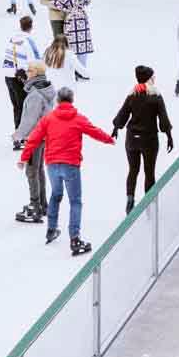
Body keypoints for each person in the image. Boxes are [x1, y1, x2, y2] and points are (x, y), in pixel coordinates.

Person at [18, 87, 115, 256]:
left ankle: (51, 229)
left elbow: (33, 139)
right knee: (75, 201)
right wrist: (109, 139)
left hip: (53, 165)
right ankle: (75, 239)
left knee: (56, 196)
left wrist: (24, 158)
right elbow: (94, 131)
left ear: (57, 101)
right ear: (72, 100)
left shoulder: (48, 119)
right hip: (71, 165)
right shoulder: (78, 119)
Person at [111, 65, 174, 213]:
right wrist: (169, 135)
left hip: (132, 138)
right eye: (153, 76)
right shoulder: (156, 96)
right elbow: (163, 119)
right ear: (149, 79)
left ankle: (130, 200)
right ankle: (149, 204)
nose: (154, 79)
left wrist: (116, 128)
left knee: (133, 170)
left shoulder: (132, 96)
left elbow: (123, 114)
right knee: (149, 172)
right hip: (149, 139)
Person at [10, 62, 54, 225]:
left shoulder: (35, 95)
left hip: (34, 137)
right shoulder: (45, 88)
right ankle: (42, 204)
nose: (27, 72)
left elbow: (30, 119)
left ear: (36, 73)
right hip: (43, 135)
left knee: (31, 171)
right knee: (38, 169)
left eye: (30, 70)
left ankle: (35, 204)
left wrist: (18, 134)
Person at [49, 0, 94, 80]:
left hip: (83, 21)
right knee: (72, 47)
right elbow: (56, 3)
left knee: (83, 47)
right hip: (71, 22)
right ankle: (72, 71)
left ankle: (82, 71)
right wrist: (68, 10)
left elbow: (88, 1)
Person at [1, 15, 42, 129]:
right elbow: (35, 60)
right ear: (31, 27)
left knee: (16, 106)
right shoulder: (28, 41)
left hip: (8, 75)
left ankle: (18, 134)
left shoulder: (12, 39)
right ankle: (21, 136)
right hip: (20, 76)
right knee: (24, 106)